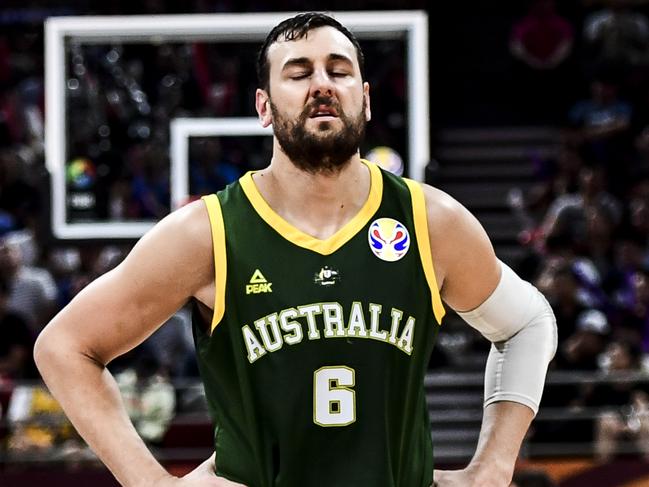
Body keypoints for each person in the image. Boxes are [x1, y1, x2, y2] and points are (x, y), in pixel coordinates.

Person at [34, 12, 557, 487]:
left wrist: (493, 466)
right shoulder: (209, 231)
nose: (322, 85)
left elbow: (528, 322)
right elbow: (64, 348)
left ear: (367, 98)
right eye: (299, 72)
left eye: (339, 69)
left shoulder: (429, 221)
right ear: (264, 105)